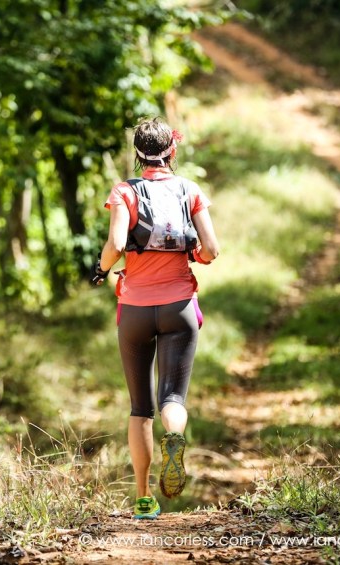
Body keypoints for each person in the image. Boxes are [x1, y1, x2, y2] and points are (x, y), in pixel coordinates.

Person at [91, 116, 220, 520]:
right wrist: (192, 254)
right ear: (172, 151)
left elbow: (116, 244)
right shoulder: (189, 190)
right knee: (172, 398)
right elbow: (211, 249)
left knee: (140, 407)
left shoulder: (124, 191)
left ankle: (144, 498)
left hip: (134, 310)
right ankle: (175, 438)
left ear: (137, 154)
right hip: (180, 307)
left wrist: (100, 269)